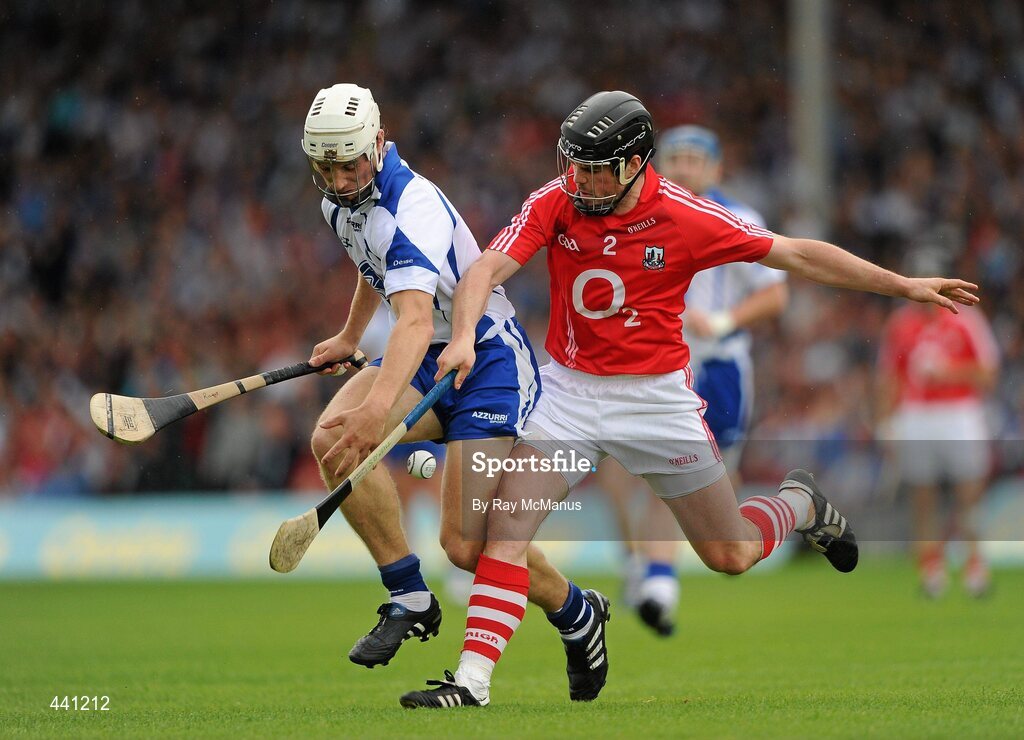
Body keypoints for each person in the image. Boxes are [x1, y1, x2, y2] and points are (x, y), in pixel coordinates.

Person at [399, 90, 979, 709]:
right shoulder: (555, 200)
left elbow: (797, 253)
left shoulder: (686, 215)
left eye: (596, 167)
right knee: (504, 533)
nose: (581, 179)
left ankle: (800, 504)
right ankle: (471, 683)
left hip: (658, 403)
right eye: (575, 164)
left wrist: (903, 285)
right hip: (569, 397)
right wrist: (462, 334)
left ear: (634, 164)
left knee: (728, 553)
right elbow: (484, 270)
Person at [302, 83, 610, 700]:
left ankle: (578, 612)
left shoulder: (412, 205)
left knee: (467, 545)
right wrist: (348, 335)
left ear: (379, 145)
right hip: (426, 353)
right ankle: (408, 592)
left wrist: (376, 414)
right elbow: (376, 270)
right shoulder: (341, 204)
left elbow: (415, 321)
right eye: (326, 167)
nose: (338, 180)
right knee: (333, 442)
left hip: (488, 357)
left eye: (349, 164)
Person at [619, 125, 790, 636]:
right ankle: (657, 581)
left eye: (696, 159)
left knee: (715, 481)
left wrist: (723, 320)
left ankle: (790, 512)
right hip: (664, 365)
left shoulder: (739, 219)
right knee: (661, 471)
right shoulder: (636, 220)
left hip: (718, 366)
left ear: (716, 169)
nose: (685, 167)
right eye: (676, 157)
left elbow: (774, 294)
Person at [876, 250, 999, 598]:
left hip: (959, 412)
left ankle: (975, 563)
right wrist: (886, 422)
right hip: (916, 415)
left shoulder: (966, 319)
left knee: (968, 492)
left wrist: (948, 372)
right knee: (923, 494)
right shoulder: (900, 325)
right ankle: (932, 567)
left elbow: (988, 374)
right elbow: (888, 376)